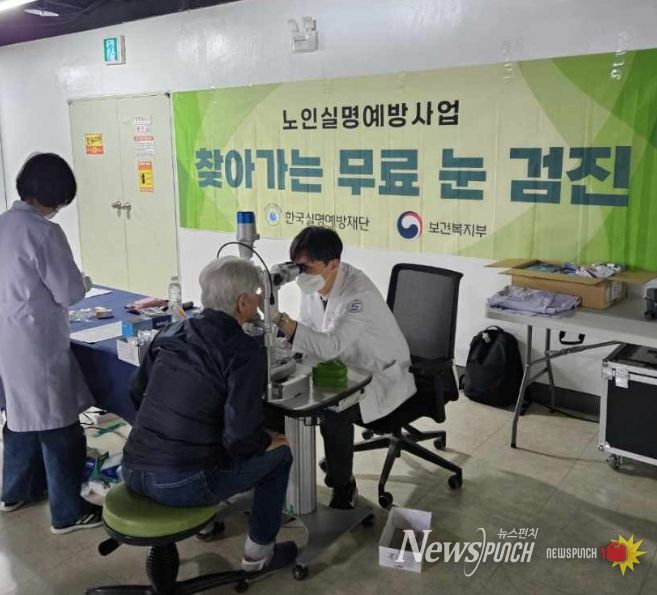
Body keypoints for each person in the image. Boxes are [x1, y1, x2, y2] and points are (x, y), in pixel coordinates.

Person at [121, 256, 297, 573]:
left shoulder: (170, 332)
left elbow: (136, 391)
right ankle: (259, 556)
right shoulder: (244, 350)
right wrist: (267, 440)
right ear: (243, 302)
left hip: (132, 468)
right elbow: (240, 437)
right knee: (280, 454)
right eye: (257, 294)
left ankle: (205, 526)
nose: (259, 300)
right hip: (181, 483)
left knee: (207, 441)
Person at [271, 227, 416, 509]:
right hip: (340, 365)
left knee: (334, 410)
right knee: (281, 397)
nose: (300, 274)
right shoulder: (315, 284)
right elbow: (309, 327)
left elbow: (331, 345)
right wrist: (285, 351)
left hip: (378, 375)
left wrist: (280, 320)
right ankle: (279, 477)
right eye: (297, 267)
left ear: (333, 264)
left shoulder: (358, 294)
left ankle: (343, 484)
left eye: (306, 267)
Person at [0, 153, 102, 533]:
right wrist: (84, 283)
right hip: (36, 342)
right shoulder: (44, 233)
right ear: (56, 195)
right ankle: (67, 511)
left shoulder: (4, 223)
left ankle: (16, 491)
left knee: (20, 419)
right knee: (60, 427)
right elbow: (69, 291)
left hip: (8, 337)